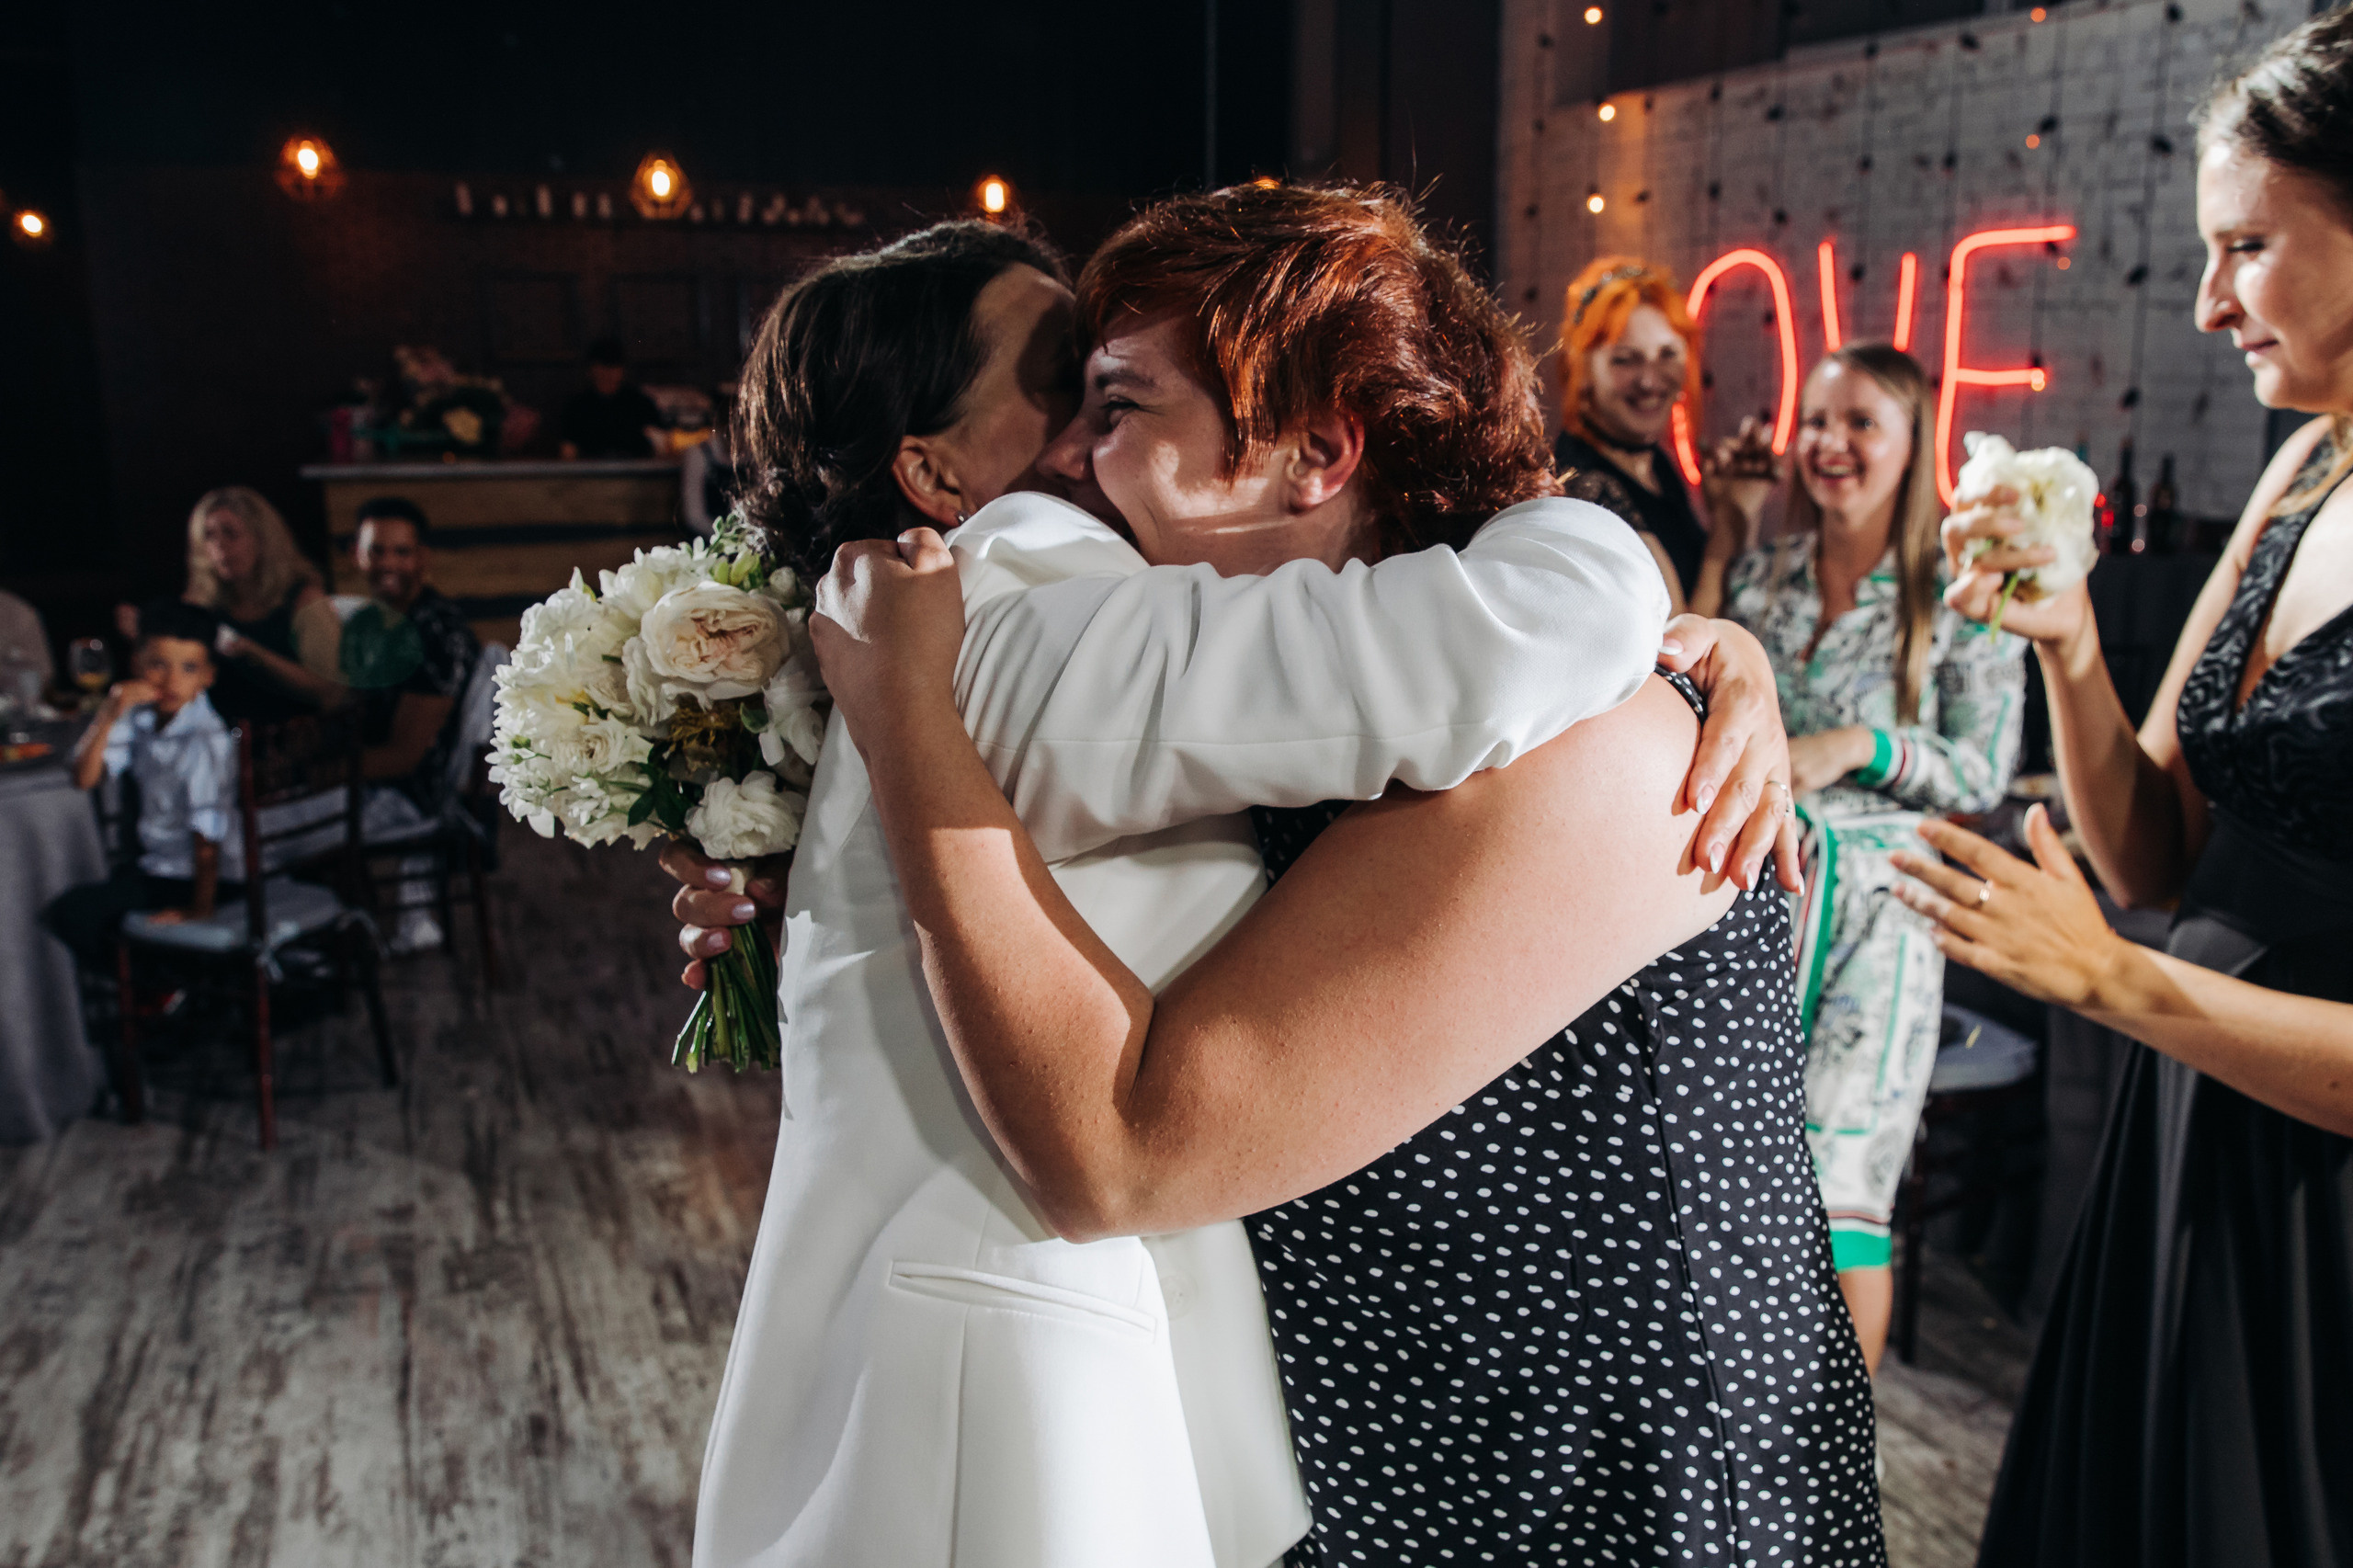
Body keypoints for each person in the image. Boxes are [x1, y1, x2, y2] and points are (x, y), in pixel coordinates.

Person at [674, 210, 1824, 1568]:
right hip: (1351, 1456)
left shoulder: (1578, 744)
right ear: (928, 469)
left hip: (1602, 1489)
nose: (1079, 458)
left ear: (1317, 448)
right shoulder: (1009, 605)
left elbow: (1491, 655)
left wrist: (1676, 622)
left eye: (1111, 401)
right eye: (1061, 395)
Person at [1919, 13, 2353, 1563]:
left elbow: (2131, 941)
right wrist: (2067, 639)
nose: (2207, 300)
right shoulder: (2301, 473)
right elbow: (2154, 851)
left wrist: (2113, 986)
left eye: (2247, 246)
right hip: (2198, 1134)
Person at [1699, 343, 2026, 1371]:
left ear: (1909, 443)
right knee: (1736, 1187)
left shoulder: (1961, 592)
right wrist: (1724, 532)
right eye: (1818, 422)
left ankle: (1836, 1480)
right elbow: (1696, 692)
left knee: (1842, 1201)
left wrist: (1857, 745)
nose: (1831, 445)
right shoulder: (1763, 574)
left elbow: (1983, 767)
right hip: (1754, 903)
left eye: (1861, 424)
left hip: (1880, 923)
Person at [1551, 256, 1775, 613]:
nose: (1650, 380)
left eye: (1667, 354)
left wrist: (1737, 508)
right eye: (1625, 359)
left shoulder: (1654, 463)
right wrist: (1725, 530)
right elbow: (1680, 650)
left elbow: (1734, 602)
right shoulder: (1588, 486)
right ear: (1583, 367)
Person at [46, 601, 241, 967]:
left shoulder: (204, 739)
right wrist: (109, 711)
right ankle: (158, 987)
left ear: (208, 676)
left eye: (188, 668)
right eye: (158, 665)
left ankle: (161, 986)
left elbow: (207, 834)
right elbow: (84, 777)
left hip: (204, 877)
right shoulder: (139, 717)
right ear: (137, 664)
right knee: (81, 909)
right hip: (156, 866)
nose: (171, 681)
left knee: (76, 913)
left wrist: (200, 907)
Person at [341, 496, 483, 954]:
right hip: (381, 781)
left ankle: (323, 942)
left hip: (417, 795)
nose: (388, 563)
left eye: (401, 551)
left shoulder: (436, 631)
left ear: (422, 558)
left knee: (268, 826)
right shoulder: (370, 622)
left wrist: (318, 774)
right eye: (376, 550)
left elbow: (404, 757)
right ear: (356, 556)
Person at [167, 486, 345, 722]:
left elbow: (331, 690)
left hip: (291, 737)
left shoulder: (304, 599)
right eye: (209, 536)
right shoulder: (201, 603)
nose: (219, 546)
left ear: (262, 539)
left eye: (231, 533)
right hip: (220, 737)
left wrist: (253, 653)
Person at [557, 336, 663, 460]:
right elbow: (568, 452)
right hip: (590, 474)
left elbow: (660, 446)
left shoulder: (641, 404)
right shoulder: (576, 407)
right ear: (590, 370)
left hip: (636, 474)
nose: (607, 373)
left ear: (622, 370)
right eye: (601, 366)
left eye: (613, 367)